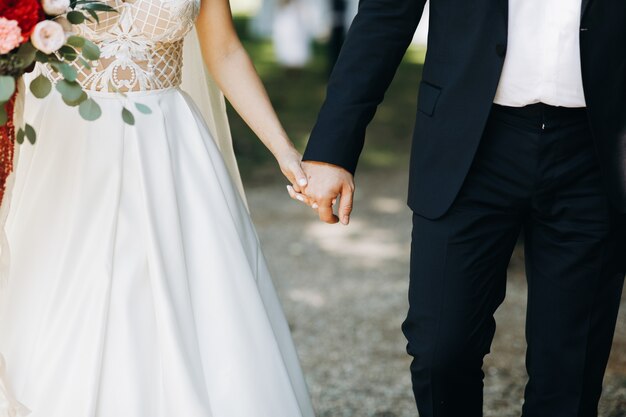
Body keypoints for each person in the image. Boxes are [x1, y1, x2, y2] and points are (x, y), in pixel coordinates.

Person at [289, 0, 626, 416]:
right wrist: (332, 150)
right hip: (467, 141)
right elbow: (386, 14)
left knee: (570, 376)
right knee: (439, 351)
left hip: (598, 147)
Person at [0, 1, 316, 416]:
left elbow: (223, 50)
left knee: (195, 303)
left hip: (169, 144)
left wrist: (284, 151)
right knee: (65, 302)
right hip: (69, 149)